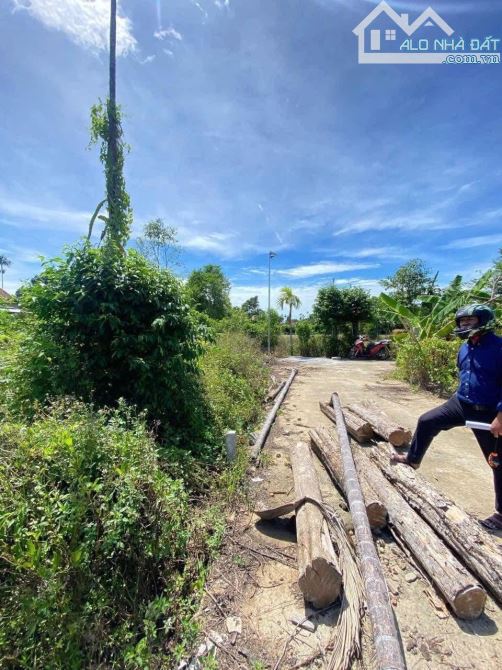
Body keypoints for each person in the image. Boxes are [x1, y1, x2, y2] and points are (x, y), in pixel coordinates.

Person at [391, 304, 502, 531]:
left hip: (490, 412)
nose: (464, 325)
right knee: (427, 421)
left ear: (484, 321)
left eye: (469, 321)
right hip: (462, 403)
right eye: (461, 322)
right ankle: (413, 459)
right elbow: (466, 375)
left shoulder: (499, 348)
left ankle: (501, 514)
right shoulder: (464, 347)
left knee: (497, 462)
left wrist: (500, 416)